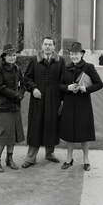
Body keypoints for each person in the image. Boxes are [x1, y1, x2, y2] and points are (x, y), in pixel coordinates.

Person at [22, 36, 65, 168]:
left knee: (52, 125)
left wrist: (62, 100)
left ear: (54, 47)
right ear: (42, 46)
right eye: (45, 44)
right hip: (38, 98)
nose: (47, 47)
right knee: (36, 125)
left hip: (54, 98)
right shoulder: (34, 60)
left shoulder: (60, 61)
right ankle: (30, 157)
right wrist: (33, 88)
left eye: (50, 44)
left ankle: (49, 154)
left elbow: (63, 81)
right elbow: (26, 78)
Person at [59, 42, 103, 171]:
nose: (74, 56)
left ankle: (86, 159)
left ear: (82, 54)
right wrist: (68, 87)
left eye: (76, 54)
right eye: (72, 54)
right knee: (69, 132)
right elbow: (59, 85)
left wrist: (86, 89)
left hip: (83, 105)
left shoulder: (89, 67)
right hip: (68, 104)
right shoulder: (66, 67)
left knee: (84, 132)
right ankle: (69, 159)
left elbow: (99, 84)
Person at [0, 44, 26, 173]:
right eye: (10, 55)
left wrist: (20, 95)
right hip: (3, 104)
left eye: (14, 55)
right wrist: (15, 95)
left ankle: (9, 158)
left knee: (14, 132)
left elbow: (23, 84)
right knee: (5, 132)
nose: (12, 57)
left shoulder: (17, 68)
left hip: (15, 105)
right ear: (4, 56)